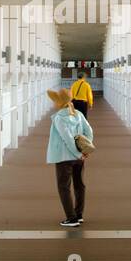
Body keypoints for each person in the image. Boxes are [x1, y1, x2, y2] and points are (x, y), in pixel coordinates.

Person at [46, 88, 93, 228]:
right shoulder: (77, 114)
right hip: (79, 157)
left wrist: (77, 153)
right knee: (79, 185)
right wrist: (84, 150)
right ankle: (79, 215)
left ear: (59, 103)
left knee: (64, 187)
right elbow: (89, 130)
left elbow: (67, 139)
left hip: (64, 157)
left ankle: (71, 218)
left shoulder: (59, 118)